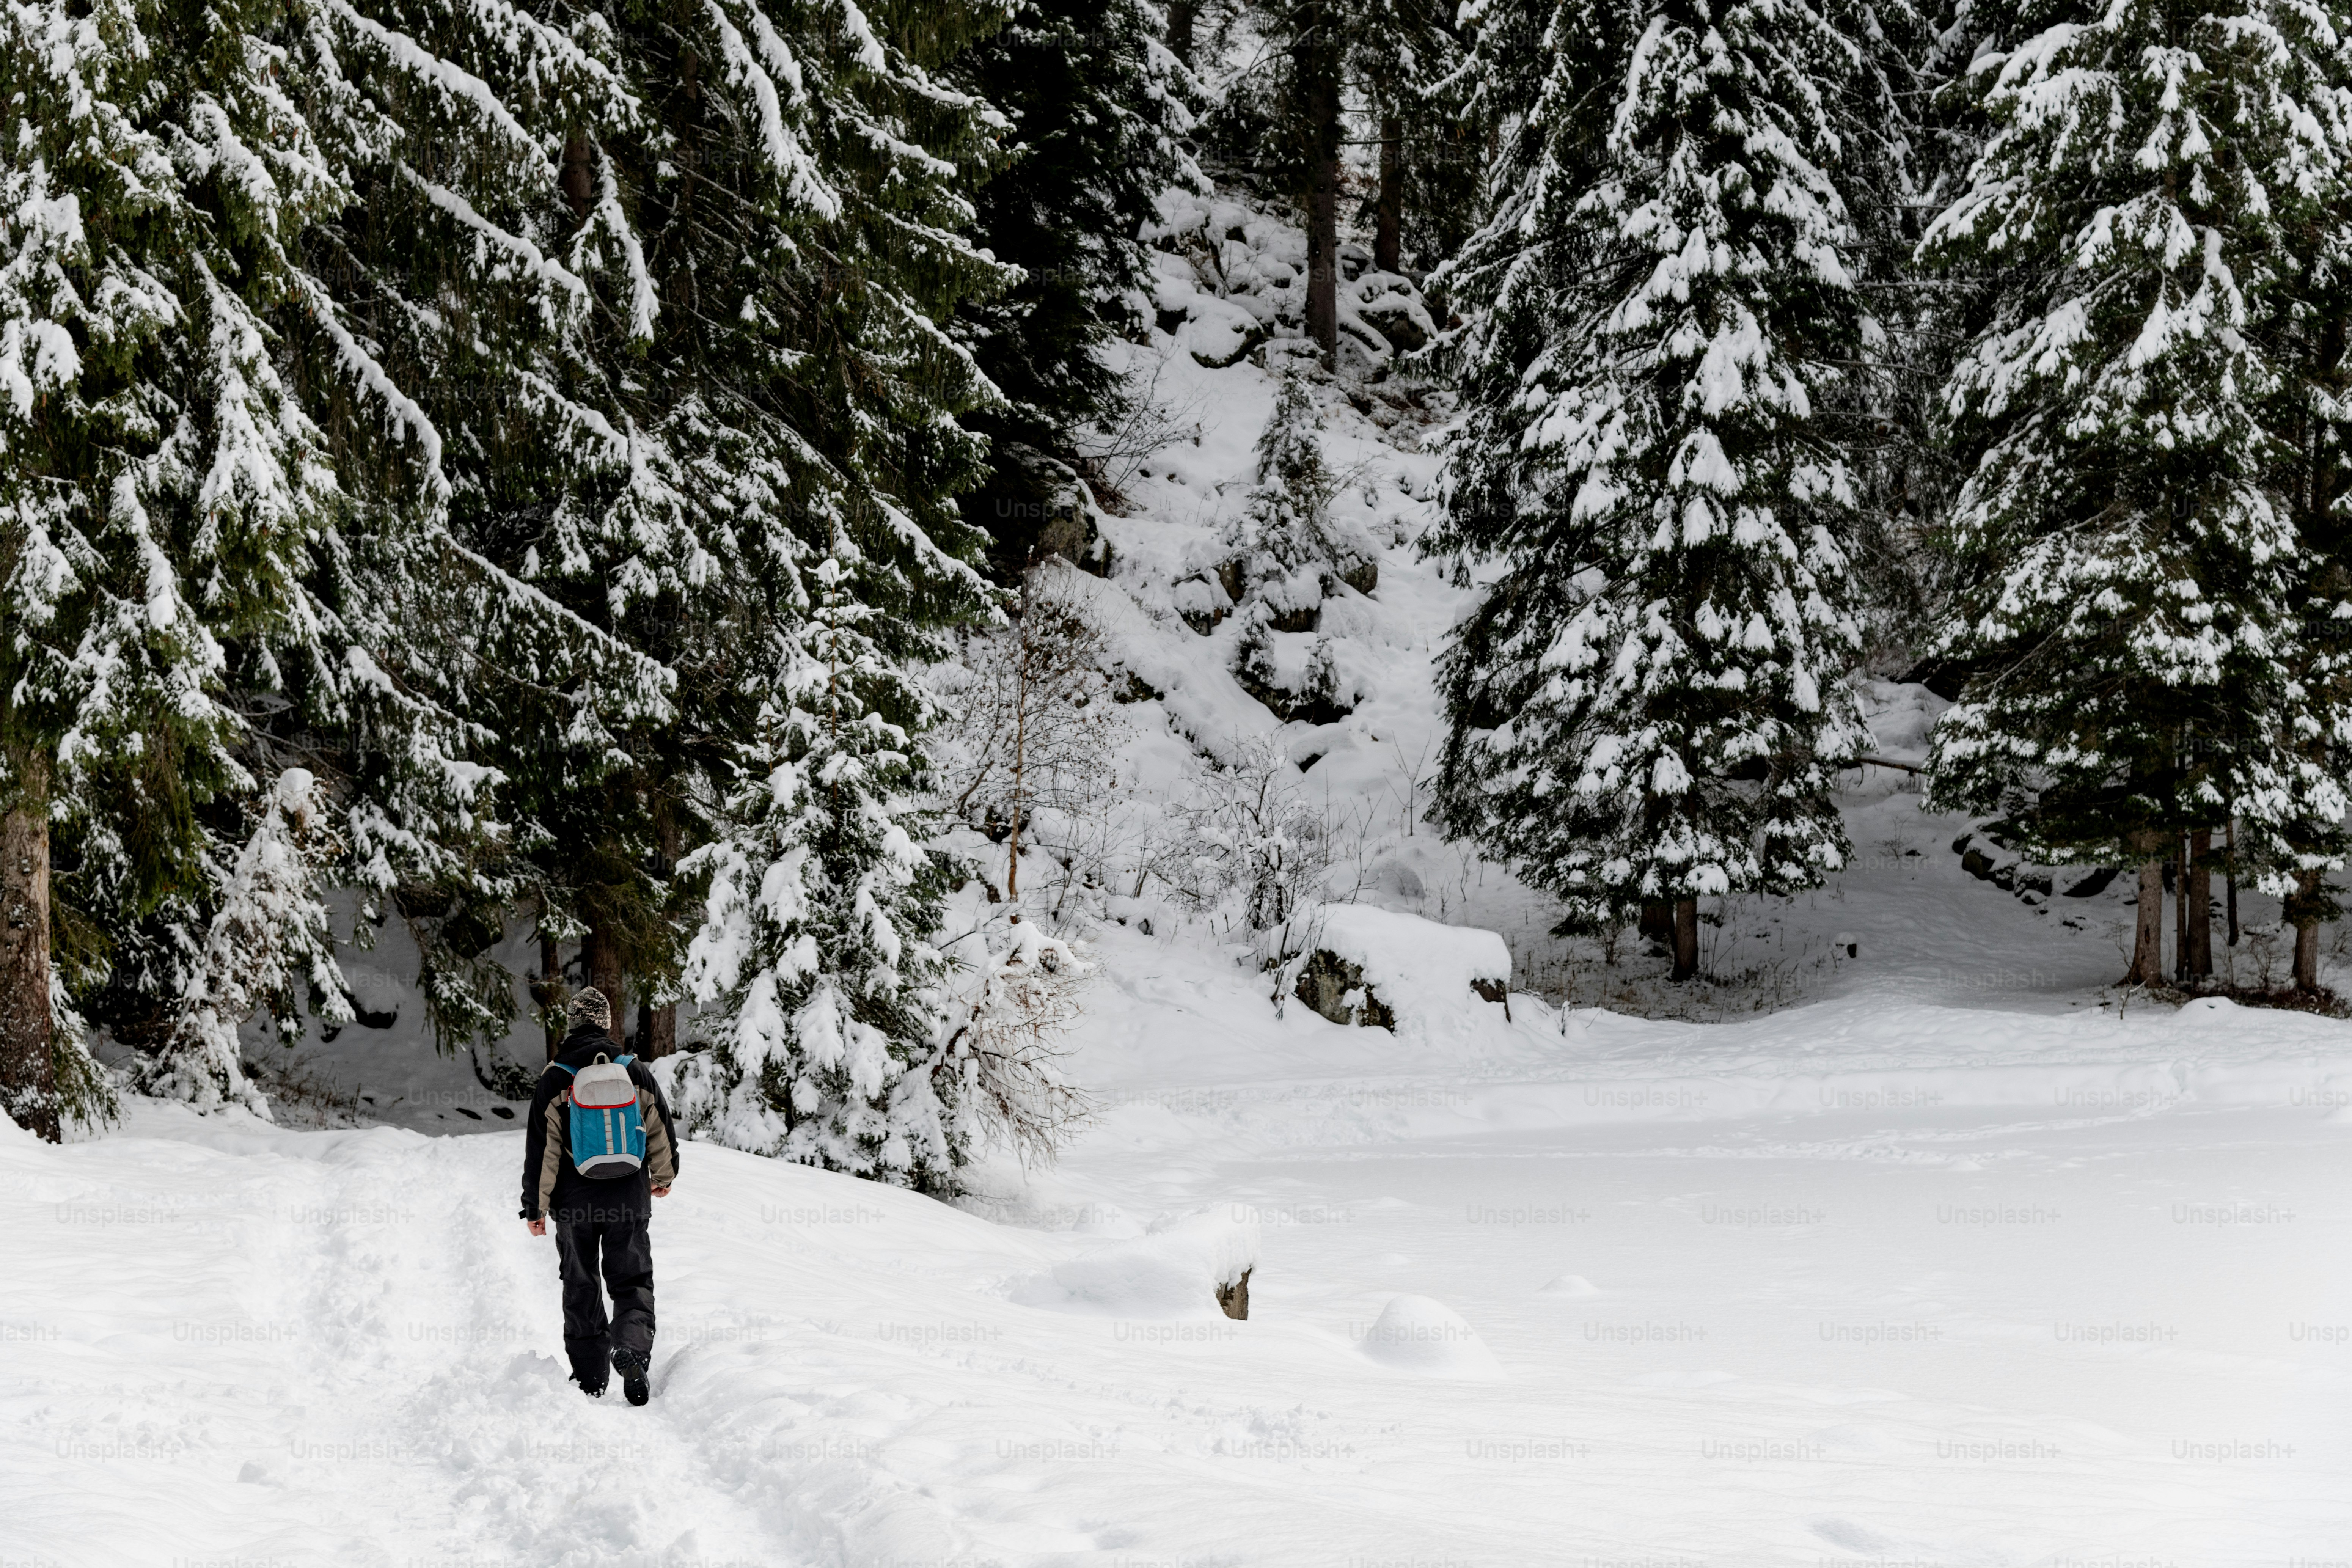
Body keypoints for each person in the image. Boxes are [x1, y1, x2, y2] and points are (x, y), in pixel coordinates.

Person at [520, 987, 680, 1403]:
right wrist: (663, 1175)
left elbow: (543, 1151)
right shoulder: (633, 1070)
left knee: (581, 1284)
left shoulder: (555, 1077)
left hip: (575, 1205)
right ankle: (630, 1347)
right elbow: (661, 1126)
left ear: (572, 1024)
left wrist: (535, 1208)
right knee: (632, 1281)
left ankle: (590, 1379)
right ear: (607, 1023)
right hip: (629, 1196)